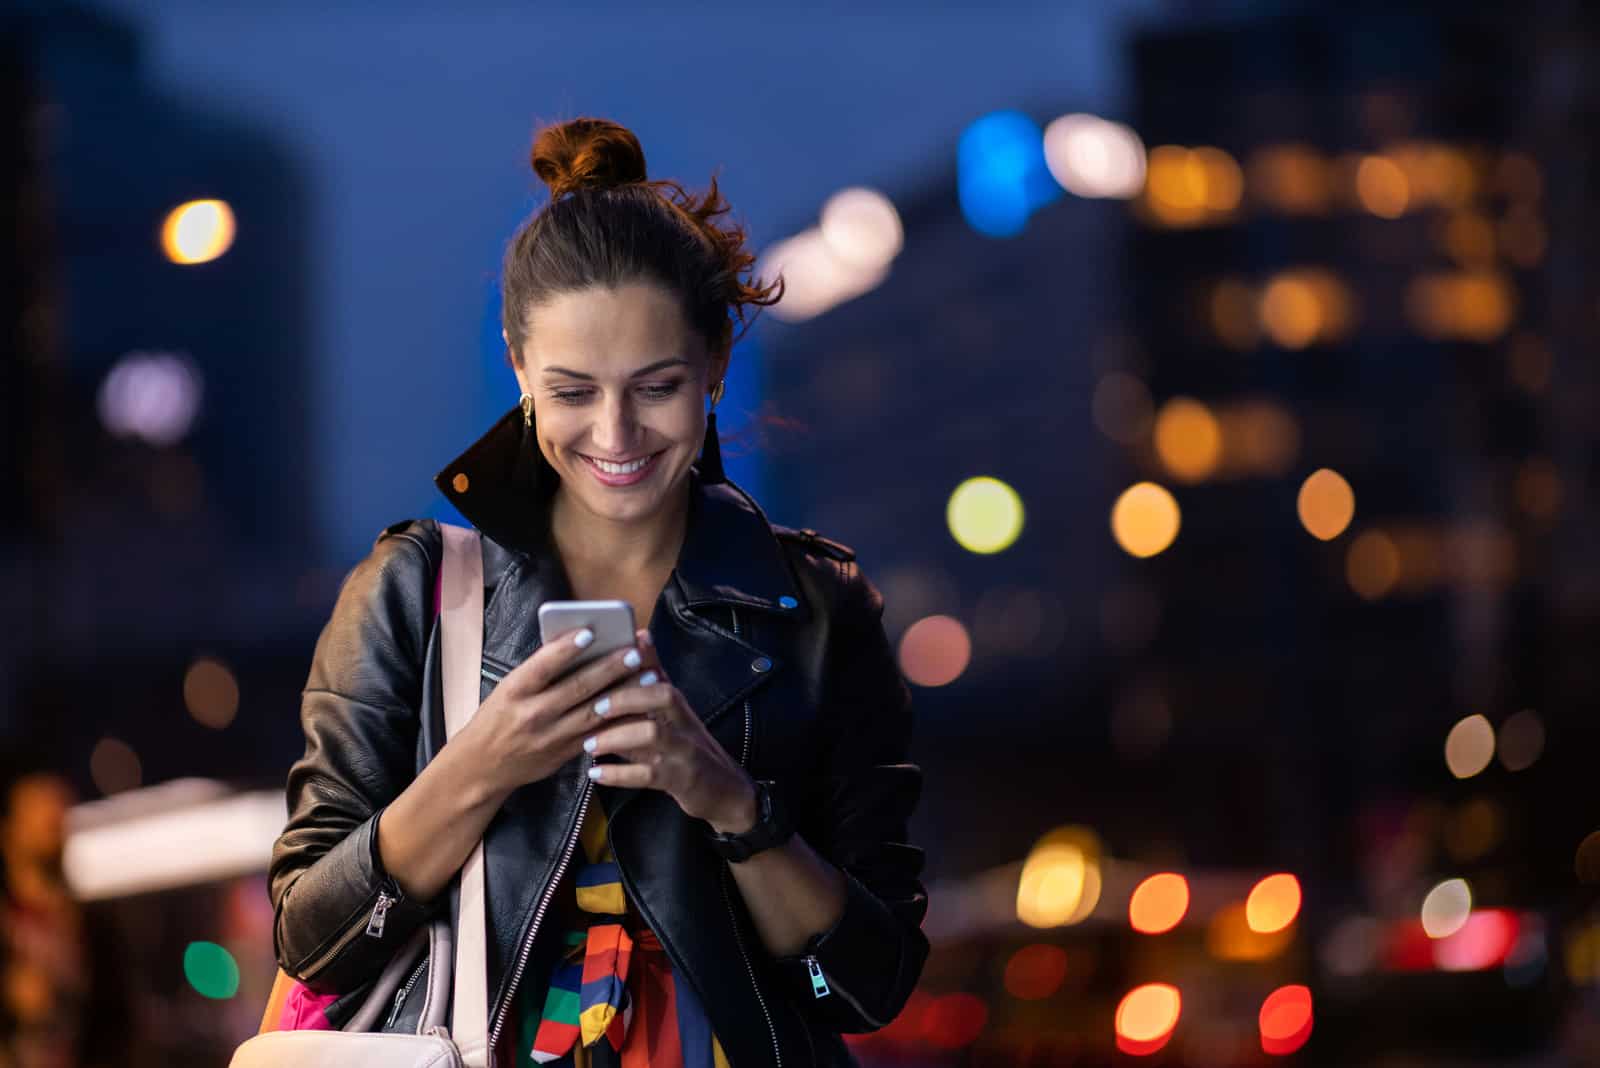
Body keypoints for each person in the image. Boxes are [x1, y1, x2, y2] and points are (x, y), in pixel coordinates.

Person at [267, 117, 928, 1067]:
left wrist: (729, 801)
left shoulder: (818, 610)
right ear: (518, 368)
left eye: (655, 386)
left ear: (714, 371)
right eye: (573, 391)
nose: (615, 435)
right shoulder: (415, 592)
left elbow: (867, 987)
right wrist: (479, 765)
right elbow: (313, 946)